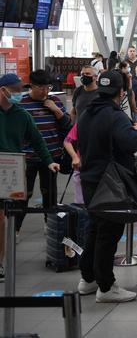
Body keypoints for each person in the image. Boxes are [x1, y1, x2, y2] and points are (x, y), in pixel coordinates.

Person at [77, 70, 137, 303]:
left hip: (89, 179)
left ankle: (87, 278)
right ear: (121, 92)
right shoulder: (115, 116)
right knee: (109, 233)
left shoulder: (86, 113)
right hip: (110, 183)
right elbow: (131, 143)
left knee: (95, 230)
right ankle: (106, 287)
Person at [0, 74, 59, 281]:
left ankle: (0, 261)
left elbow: (37, 139)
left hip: (12, 169)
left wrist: (49, 160)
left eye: (20, 89)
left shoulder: (22, 115)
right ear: (3, 90)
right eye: (15, 89)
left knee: (3, 216)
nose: (18, 93)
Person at [17, 70, 72, 234]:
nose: (45, 92)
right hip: (28, 157)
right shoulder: (21, 103)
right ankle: (16, 228)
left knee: (50, 194)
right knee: (23, 195)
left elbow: (68, 125)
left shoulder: (54, 100)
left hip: (52, 157)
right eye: (41, 88)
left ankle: (50, 225)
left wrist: (56, 110)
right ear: (31, 86)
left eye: (48, 87)